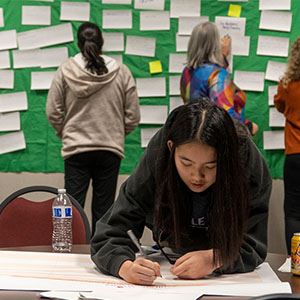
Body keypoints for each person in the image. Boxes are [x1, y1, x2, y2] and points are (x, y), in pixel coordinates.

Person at [91, 98, 271, 285]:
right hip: (171, 265)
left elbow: (253, 243)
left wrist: (215, 258)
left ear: (225, 158)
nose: (197, 177)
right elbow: (111, 231)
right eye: (186, 163)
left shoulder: (246, 162)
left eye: (210, 166)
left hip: (226, 281)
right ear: (171, 148)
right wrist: (124, 266)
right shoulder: (158, 156)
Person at [46, 22, 140, 235]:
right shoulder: (121, 71)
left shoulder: (66, 70)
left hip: (76, 148)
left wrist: (66, 132)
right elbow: (133, 115)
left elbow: (53, 110)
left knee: (72, 208)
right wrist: (116, 132)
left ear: (78, 43)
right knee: (104, 209)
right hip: (109, 148)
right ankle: (100, 254)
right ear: (102, 43)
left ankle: (69, 254)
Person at [180, 21, 258, 136]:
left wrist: (222, 59)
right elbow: (226, 116)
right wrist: (248, 128)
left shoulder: (187, 72)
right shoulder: (217, 74)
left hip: (195, 134)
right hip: (218, 140)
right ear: (215, 45)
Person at [274, 37, 300, 254]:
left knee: (293, 212)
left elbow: (280, 105)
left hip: (294, 154)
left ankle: (296, 262)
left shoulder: (286, 85)